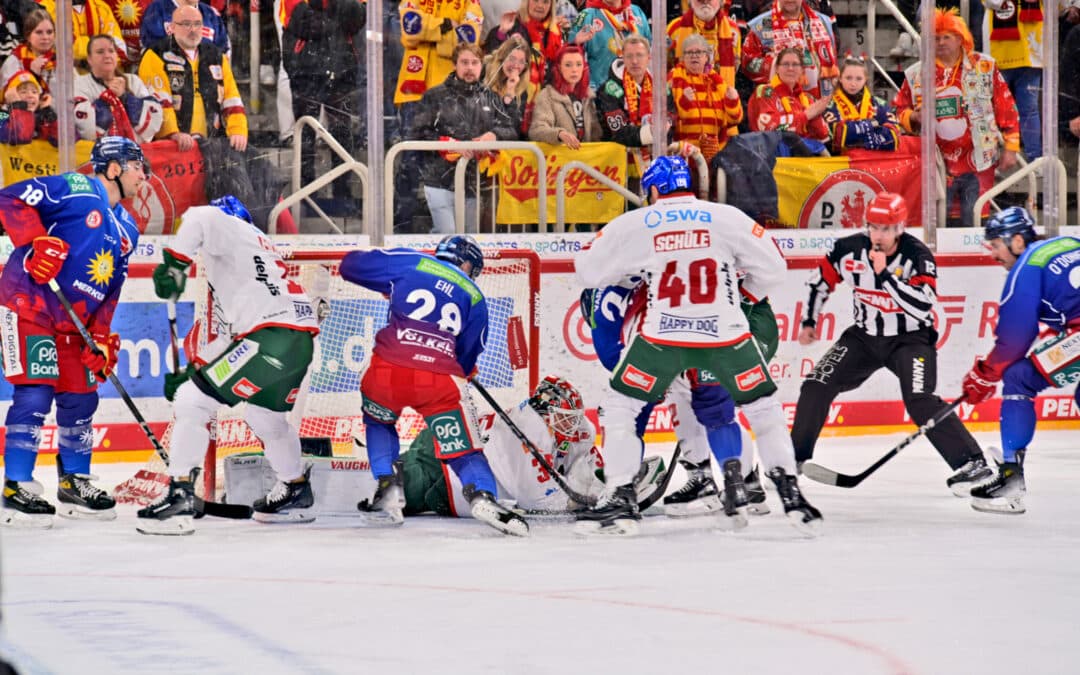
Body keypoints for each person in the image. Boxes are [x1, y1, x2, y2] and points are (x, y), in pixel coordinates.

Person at [573, 155, 821, 536]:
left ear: (653, 189)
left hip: (663, 338)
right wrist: (740, 295)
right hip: (726, 335)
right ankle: (787, 491)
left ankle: (621, 496)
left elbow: (588, 272)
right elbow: (774, 269)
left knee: (621, 407)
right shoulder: (727, 217)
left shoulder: (639, 222)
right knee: (762, 409)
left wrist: (632, 268)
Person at [135, 196, 321, 535]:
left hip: (271, 337)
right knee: (263, 415)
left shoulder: (231, 226)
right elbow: (232, 336)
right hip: (297, 344)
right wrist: (194, 370)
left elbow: (199, 216)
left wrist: (175, 265)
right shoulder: (256, 258)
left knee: (193, 401)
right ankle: (295, 488)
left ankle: (179, 496)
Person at [791, 192, 992, 494]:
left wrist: (884, 274)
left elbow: (922, 305)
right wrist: (810, 320)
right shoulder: (848, 250)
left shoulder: (918, 255)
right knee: (816, 385)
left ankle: (972, 462)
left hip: (911, 340)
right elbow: (819, 282)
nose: (878, 235)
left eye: (886, 229)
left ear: (900, 228)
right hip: (863, 337)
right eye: (873, 227)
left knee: (920, 400)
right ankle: (791, 460)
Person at [338, 235, 529, 536]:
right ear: (466, 264)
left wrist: (388, 285)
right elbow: (467, 358)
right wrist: (461, 368)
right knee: (463, 450)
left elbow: (351, 265)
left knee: (378, 422)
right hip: (438, 378)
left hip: (388, 369)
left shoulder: (411, 261)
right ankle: (482, 496)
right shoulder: (474, 294)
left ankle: (388, 489)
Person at [0, 136, 145, 528]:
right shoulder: (76, 187)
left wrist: (100, 335)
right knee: (34, 392)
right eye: (136, 166)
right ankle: (16, 486)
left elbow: (112, 287)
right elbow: (9, 198)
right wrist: (33, 245)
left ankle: (74, 482)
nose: (142, 176)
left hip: (74, 323)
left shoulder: (129, 227)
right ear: (113, 167)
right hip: (28, 303)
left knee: (81, 399)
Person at [399, 376, 666, 516]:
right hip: (440, 461)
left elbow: (588, 471)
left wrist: (613, 489)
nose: (572, 425)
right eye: (564, 418)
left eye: (574, 418)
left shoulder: (581, 429)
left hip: (462, 470)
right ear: (546, 414)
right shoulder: (529, 430)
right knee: (396, 492)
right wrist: (592, 501)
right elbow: (538, 503)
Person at [961, 207, 1080, 514]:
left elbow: (1014, 340)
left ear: (1016, 241)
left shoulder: (1025, 269)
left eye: (997, 246)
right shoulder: (1065, 244)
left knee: (1018, 377)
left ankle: (1011, 474)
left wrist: (984, 375)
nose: (993, 255)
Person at [892, 8, 1019, 228]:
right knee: (942, 222)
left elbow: (1006, 106)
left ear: (961, 38)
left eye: (946, 37)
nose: (940, 43)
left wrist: (1011, 147)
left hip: (979, 158)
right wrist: (913, 117)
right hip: (938, 162)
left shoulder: (984, 66)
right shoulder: (915, 74)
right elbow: (898, 111)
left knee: (977, 217)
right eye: (935, 38)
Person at [408, 43, 519, 233]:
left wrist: (494, 134)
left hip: (474, 184)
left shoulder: (491, 98)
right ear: (454, 65)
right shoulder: (434, 96)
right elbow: (416, 133)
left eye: (474, 62)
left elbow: (511, 128)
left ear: (481, 65)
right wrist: (449, 144)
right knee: (448, 234)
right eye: (464, 62)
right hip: (438, 181)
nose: (469, 67)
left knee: (469, 237)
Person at [282, 0, 365, 213]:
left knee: (342, 133)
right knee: (306, 135)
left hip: (341, 69)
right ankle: (306, 194)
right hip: (305, 71)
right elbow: (301, 22)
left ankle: (342, 193)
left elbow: (357, 17)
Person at [482, 0, 564, 128]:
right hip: (515, 97)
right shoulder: (512, 25)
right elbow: (493, 59)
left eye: (546, 2)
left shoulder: (557, 32)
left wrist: (575, 41)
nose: (540, 6)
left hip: (544, 103)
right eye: (536, 1)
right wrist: (501, 33)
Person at [596, 35, 675, 168]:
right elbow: (618, 132)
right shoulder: (608, 89)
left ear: (648, 57)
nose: (634, 61)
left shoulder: (661, 86)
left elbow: (672, 115)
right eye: (629, 56)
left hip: (656, 161)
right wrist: (651, 133)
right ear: (622, 57)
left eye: (639, 55)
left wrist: (665, 127)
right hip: (618, 166)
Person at [73, 34, 163, 142]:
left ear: (116, 56)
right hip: (98, 155)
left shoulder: (133, 81)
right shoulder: (79, 84)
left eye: (111, 51)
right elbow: (86, 129)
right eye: (100, 52)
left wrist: (125, 97)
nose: (107, 55)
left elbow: (154, 119)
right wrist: (108, 97)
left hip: (135, 154)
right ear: (89, 59)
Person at [669, 33, 742, 163]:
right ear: (683, 57)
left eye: (698, 52)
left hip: (716, 154)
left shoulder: (717, 81)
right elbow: (669, 117)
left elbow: (734, 120)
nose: (694, 56)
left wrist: (733, 101)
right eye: (689, 52)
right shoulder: (673, 78)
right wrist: (684, 102)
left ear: (706, 57)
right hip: (683, 156)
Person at [741, 0, 838, 97]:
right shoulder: (758, 26)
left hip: (821, 103)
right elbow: (747, 63)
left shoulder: (824, 22)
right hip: (779, 105)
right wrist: (779, 65)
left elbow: (833, 59)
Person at [747, 46, 830, 144]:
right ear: (777, 68)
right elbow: (770, 126)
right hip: (772, 155)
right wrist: (805, 116)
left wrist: (816, 116)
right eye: (785, 64)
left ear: (802, 70)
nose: (790, 68)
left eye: (795, 64)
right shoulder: (765, 91)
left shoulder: (806, 98)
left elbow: (824, 136)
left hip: (803, 155)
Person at [527, 44, 603, 149]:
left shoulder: (588, 96)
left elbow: (596, 134)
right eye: (568, 65)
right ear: (559, 67)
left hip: (587, 160)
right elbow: (536, 131)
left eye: (578, 64)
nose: (574, 70)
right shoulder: (547, 95)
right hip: (560, 162)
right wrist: (559, 134)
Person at [566, 0, 650, 92]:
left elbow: (650, 53)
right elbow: (566, 57)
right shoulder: (586, 16)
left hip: (636, 91)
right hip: (600, 92)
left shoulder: (637, 12)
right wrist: (576, 43)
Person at [823, 55, 900, 154]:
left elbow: (894, 137)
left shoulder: (880, 104)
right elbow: (839, 136)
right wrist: (873, 124)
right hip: (841, 164)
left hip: (872, 164)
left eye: (858, 79)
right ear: (840, 78)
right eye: (848, 78)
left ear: (865, 79)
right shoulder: (828, 105)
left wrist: (856, 136)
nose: (853, 84)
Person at [40, 0, 128, 65]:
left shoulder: (101, 8)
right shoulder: (45, 9)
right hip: (62, 81)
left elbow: (120, 51)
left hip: (101, 79)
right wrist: (100, 50)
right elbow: (60, 48)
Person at [139, 0, 230, 57]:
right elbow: (152, 50)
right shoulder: (157, 9)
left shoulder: (211, 14)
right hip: (169, 80)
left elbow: (222, 54)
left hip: (205, 81)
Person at [0, 8, 55, 96]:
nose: (45, 37)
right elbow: (7, 97)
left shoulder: (61, 60)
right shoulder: (14, 61)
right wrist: (32, 74)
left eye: (49, 32)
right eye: (39, 32)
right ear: (28, 36)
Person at [0, 69, 57, 144]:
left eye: (34, 92)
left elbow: (67, 141)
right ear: (10, 96)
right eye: (23, 92)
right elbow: (20, 137)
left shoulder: (41, 118)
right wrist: (18, 105)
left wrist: (47, 111)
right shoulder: (2, 116)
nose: (30, 95)